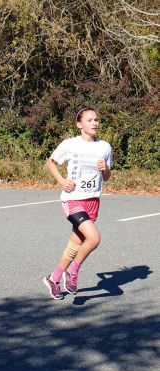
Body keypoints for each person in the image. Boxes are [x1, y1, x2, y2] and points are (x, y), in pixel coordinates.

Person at [43, 108, 112, 300]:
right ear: (79, 124)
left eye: (97, 119)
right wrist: (61, 181)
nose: (95, 123)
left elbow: (106, 177)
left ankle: (53, 278)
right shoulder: (70, 144)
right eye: (89, 120)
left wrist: (105, 169)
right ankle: (73, 272)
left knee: (76, 244)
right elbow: (51, 162)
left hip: (93, 200)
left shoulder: (105, 147)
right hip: (73, 199)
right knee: (94, 238)